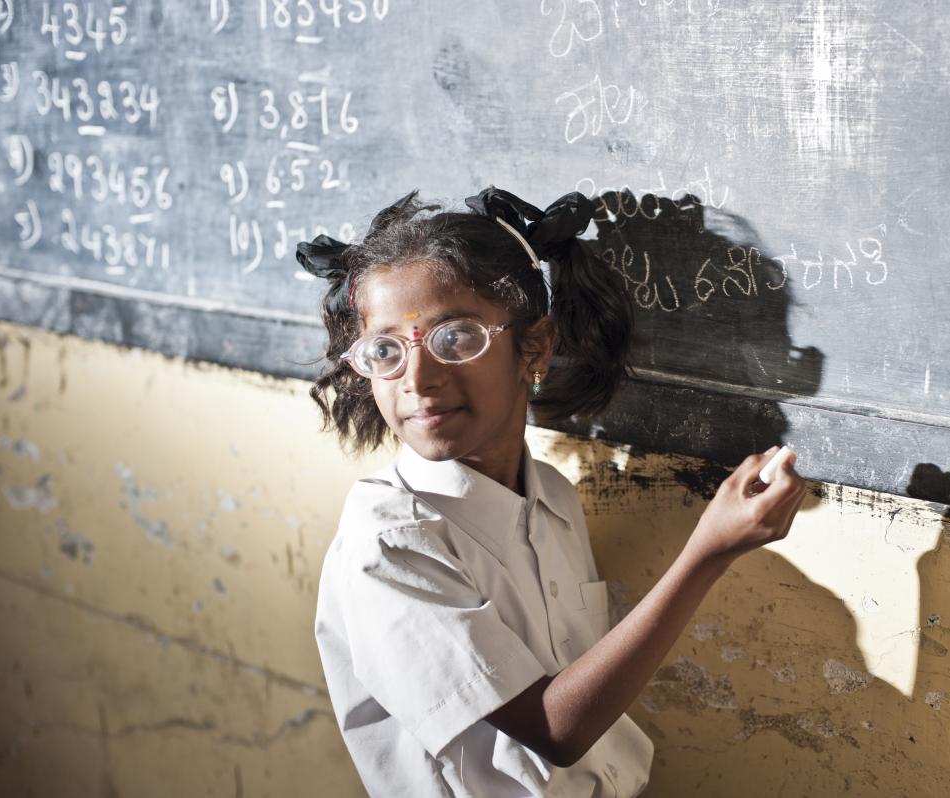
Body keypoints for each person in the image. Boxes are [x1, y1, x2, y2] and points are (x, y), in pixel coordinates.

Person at [302, 187, 806, 797]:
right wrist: (708, 554)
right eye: (385, 350)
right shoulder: (388, 542)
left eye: (455, 339)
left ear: (534, 347)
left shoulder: (552, 499)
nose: (420, 381)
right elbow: (554, 728)